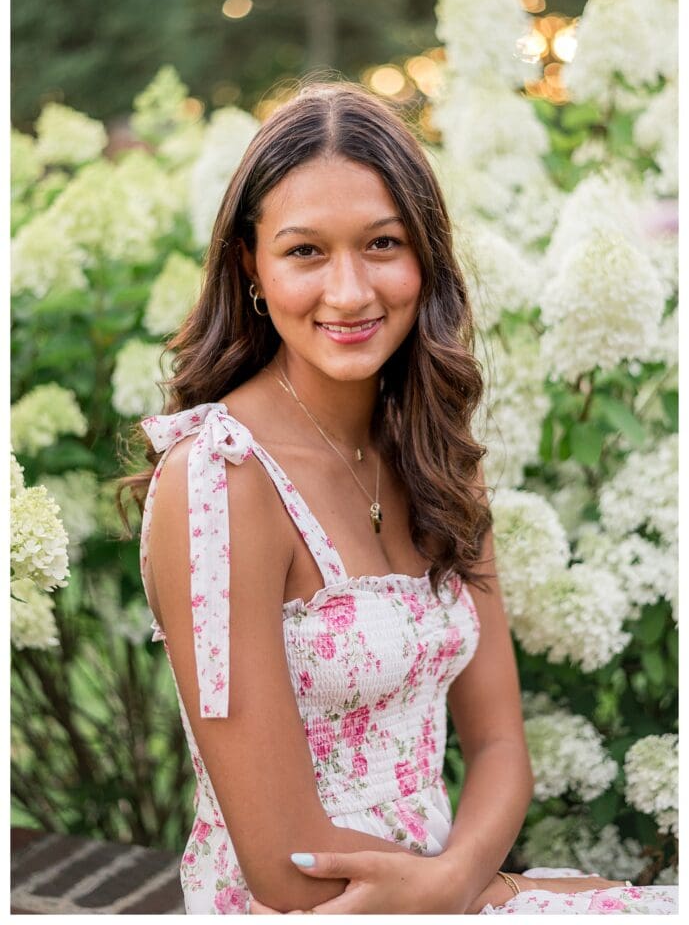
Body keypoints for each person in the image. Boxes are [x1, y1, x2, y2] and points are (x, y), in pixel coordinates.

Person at [118, 81, 678, 915]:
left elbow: (497, 748)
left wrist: (465, 885)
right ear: (253, 268)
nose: (349, 293)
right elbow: (283, 862)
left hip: (444, 893)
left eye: (382, 244)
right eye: (306, 252)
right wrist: (494, 892)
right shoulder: (220, 479)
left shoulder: (438, 454)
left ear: (426, 256)